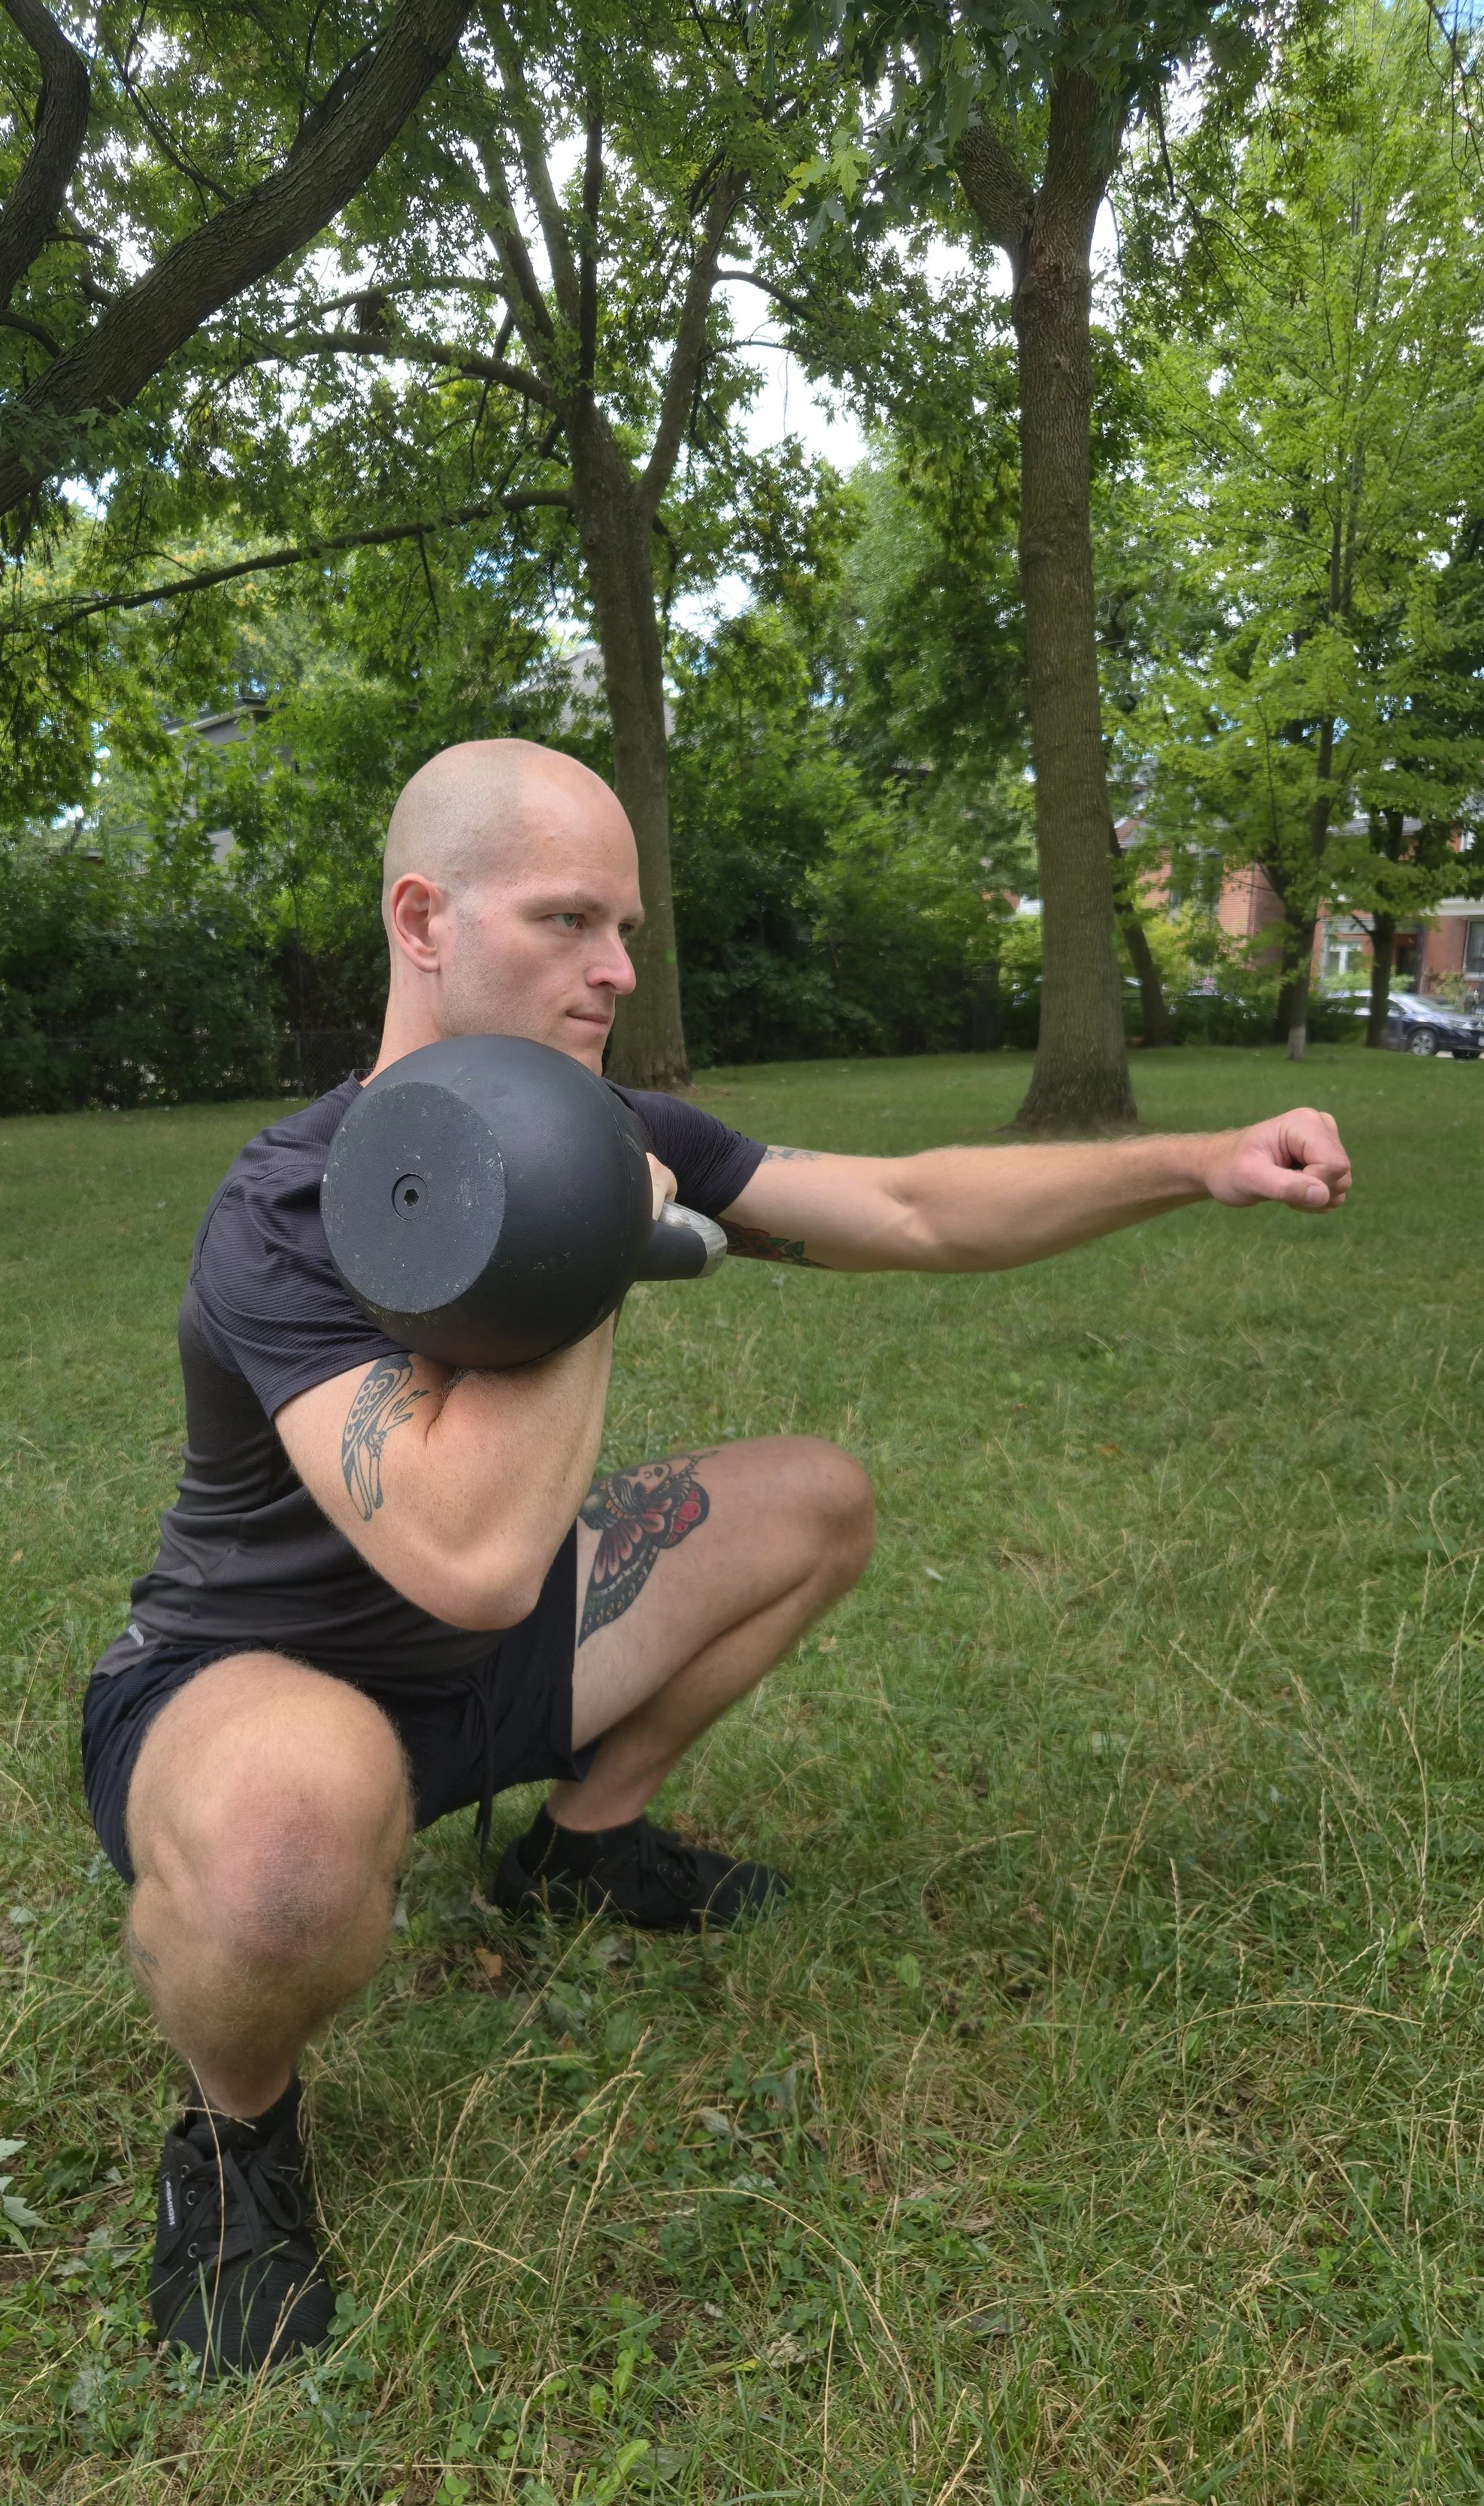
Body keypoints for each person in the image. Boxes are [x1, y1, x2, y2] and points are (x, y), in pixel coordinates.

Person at [80, 738, 1352, 2376]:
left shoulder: (618, 1122)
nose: (615, 967)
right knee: (282, 1852)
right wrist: (595, 1222)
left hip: (499, 1662)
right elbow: (463, 1548)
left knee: (811, 1497)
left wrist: (1188, 1162)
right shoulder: (295, 1198)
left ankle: (579, 1844)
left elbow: (900, 1204)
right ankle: (236, 2145)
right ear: (422, 916)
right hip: (253, 1685)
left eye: (622, 925)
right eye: (565, 919)